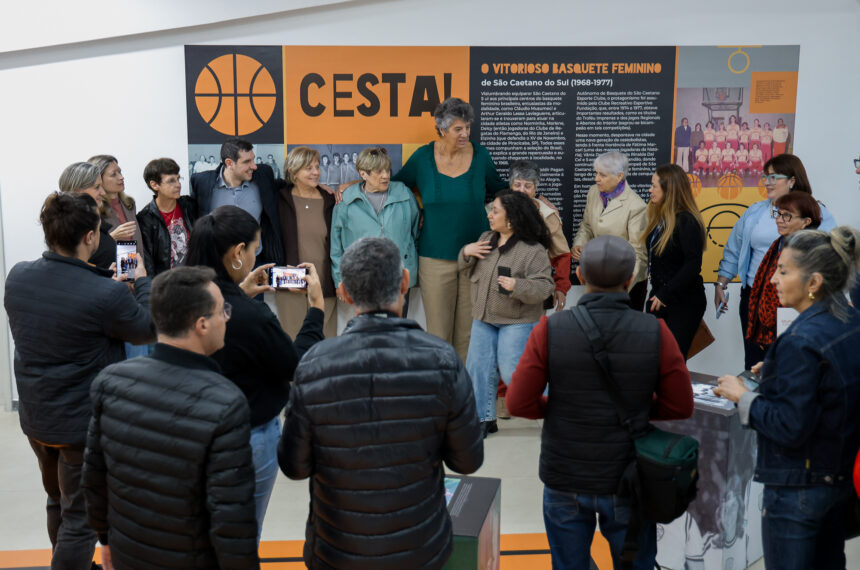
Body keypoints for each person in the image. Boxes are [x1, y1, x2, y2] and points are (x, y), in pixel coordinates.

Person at [278, 236, 484, 569]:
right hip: (420, 547)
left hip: (336, 549)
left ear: (343, 292)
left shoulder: (315, 364)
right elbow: (468, 460)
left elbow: (294, 466)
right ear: (405, 281)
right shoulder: (442, 360)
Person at [508, 235, 694, 570]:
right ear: (630, 280)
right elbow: (680, 406)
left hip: (565, 472)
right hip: (629, 475)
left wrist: (560, 408)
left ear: (580, 276)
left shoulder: (549, 329)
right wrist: (637, 409)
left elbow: (519, 403)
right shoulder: (655, 331)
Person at [4, 192, 154, 569]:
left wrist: (108, 283)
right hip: (80, 426)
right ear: (90, 237)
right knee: (80, 520)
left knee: (58, 501)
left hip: (37, 418)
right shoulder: (105, 295)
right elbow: (146, 330)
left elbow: (66, 299)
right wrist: (143, 283)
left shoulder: (18, 275)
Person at [81, 266, 259, 569]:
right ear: (202, 324)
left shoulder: (110, 383)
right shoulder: (226, 404)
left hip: (129, 553)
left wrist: (106, 540)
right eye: (222, 311)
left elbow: (94, 478)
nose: (227, 318)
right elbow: (231, 518)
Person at [714, 227, 860, 569]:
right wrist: (780, 372)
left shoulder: (800, 340)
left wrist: (741, 396)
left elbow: (789, 426)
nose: (772, 281)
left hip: (797, 487)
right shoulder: (851, 321)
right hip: (837, 481)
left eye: (783, 271)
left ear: (814, 283)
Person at [185, 205, 325, 538]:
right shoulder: (252, 318)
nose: (254, 255)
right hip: (246, 437)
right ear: (237, 253)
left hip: (187, 430)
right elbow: (296, 365)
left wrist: (238, 293)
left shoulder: (178, 298)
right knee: (241, 534)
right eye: (254, 247)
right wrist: (316, 310)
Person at [391, 97, 508, 361]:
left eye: (467, 127)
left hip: (478, 256)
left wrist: (537, 197)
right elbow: (395, 185)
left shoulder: (481, 155)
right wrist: (351, 185)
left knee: (469, 333)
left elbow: (501, 188)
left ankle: (463, 393)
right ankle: (442, 390)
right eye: (458, 129)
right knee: (438, 334)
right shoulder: (422, 157)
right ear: (442, 130)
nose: (465, 133)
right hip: (435, 257)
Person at [714, 153, 836, 369]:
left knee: (789, 363)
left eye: (774, 177)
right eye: (765, 177)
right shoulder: (755, 212)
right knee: (754, 364)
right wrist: (721, 283)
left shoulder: (816, 212)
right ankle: (754, 402)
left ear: (792, 180)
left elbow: (827, 259)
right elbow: (733, 249)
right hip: (754, 297)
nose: (767, 183)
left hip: (793, 300)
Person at [460, 191, 554, 435]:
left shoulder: (533, 250)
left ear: (511, 218)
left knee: (516, 371)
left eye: (495, 211)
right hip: (483, 317)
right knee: (478, 368)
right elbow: (466, 269)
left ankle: (556, 413)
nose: (489, 215)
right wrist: (466, 253)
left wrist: (518, 286)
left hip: (517, 321)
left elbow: (545, 288)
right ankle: (483, 419)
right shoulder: (486, 238)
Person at [331, 146, 420, 317]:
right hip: (362, 279)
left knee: (396, 330)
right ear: (363, 174)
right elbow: (336, 246)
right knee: (367, 331)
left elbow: (415, 233)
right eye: (378, 171)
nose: (385, 175)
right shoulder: (346, 202)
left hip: (397, 277)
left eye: (387, 169)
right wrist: (339, 280)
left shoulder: (404, 194)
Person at [642, 164, 707, 358]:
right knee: (654, 358)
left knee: (673, 360)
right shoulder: (660, 219)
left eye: (654, 186)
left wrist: (665, 293)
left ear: (669, 190)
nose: (650, 190)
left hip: (683, 301)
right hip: (660, 297)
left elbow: (693, 265)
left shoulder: (687, 221)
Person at [572, 151, 649, 311]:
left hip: (627, 285)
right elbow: (586, 226)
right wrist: (580, 243)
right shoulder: (594, 192)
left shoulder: (636, 206)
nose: (596, 179)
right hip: (598, 277)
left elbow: (638, 254)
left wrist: (618, 290)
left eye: (602, 175)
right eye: (596, 173)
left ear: (619, 176)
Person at [745, 192, 821, 353]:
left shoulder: (810, 250)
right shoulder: (778, 243)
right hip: (771, 330)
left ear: (806, 222)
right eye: (778, 214)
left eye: (787, 216)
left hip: (797, 329)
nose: (779, 220)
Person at [190, 138, 284, 266]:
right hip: (217, 264)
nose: (254, 166)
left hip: (256, 262)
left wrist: (318, 187)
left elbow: (286, 186)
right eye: (247, 162)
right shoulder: (202, 182)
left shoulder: (263, 175)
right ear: (229, 163)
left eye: (253, 159)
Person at [275, 146, 337, 338]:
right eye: (309, 168)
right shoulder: (279, 198)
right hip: (289, 284)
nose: (316, 172)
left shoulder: (330, 200)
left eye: (317, 167)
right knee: (293, 341)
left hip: (323, 283)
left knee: (325, 343)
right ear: (294, 171)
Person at [509, 160, 571, 311]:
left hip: (536, 287)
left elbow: (562, 254)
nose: (522, 190)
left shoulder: (548, 215)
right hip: (504, 285)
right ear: (510, 186)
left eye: (528, 186)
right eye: (517, 185)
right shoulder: (495, 210)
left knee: (535, 332)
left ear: (535, 188)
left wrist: (561, 287)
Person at [137, 157, 197, 276]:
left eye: (178, 179)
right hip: (167, 284)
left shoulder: (189, 206)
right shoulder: (145, 219)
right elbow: (148, 263)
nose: (178, 185)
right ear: (154, 185)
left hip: (195, 279)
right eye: (171, 181)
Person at [58, 161, 115, 270]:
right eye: (97, 187)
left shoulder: (95, 221)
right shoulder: (70, 230)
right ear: (77, 190)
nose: (103, 193)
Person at [89, 155, 142, 255]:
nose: (121, 177)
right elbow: (88, 251)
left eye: (120, 172)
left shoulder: (129, 204)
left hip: (133, 265)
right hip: (109, 268)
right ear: (98, 179)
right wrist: (112, 237)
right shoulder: (92, 210)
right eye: (113, 174)